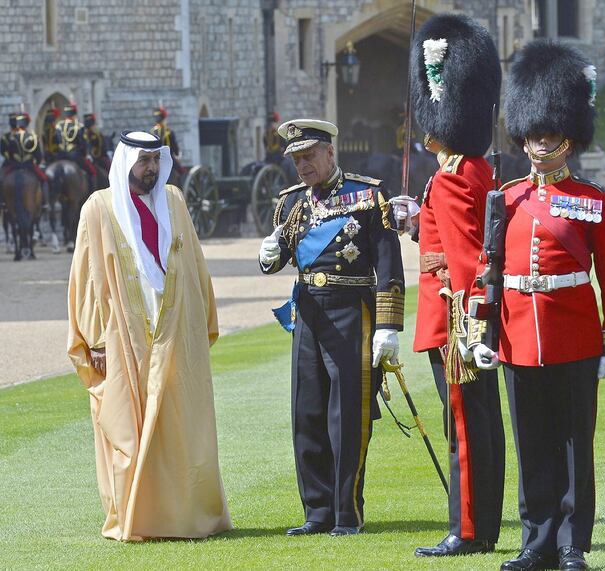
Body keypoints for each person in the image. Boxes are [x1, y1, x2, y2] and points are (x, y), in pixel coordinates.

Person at [471, 40, 605, 571]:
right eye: (534, 136)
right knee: (532, 445)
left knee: (573, 447)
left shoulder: (591, 201)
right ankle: (535, 541)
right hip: (517, 338)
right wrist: (478, 334)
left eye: (550, 136)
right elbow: (485, 270)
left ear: (568, 139)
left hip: (575, 338)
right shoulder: (507, 197)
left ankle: (571, 543)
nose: (540, 145)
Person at [67, 130, 232, 541]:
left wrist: (201, 319)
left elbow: (194, 261)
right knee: (128, 421)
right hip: (123, 329)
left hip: (176, 326)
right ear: (126, 162)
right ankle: (137, 515)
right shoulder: (98, 208)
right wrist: (95, 339)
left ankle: (186, 515)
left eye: (156, 160)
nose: (151, 169)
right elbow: (86, 278)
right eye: (144, 161)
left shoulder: (174, 199)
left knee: (181, 421)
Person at [392, 14, 506, 558]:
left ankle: (467, 529)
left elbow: (463, 262)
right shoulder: (467, 169)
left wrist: (467, 330)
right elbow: (447, 247)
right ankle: (481, 526)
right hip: (462, 316)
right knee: (478, 424)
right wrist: (416, 226)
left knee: (464, 424)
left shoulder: (457, 175)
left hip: (456, 321)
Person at [258, 119, 405, 537]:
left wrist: (387, 326)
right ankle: (316, 512)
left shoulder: (368, 195)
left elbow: (389, 266)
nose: (302, 166)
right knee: (307, 414)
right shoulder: (290, 204)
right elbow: (280, 257)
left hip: (351, 313)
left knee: (348, 418)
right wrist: (267, 256)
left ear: (330, 153)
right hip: (307, 314)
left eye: (308, 156)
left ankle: (346, 513)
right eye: (296, 159)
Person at [55, 103, 97, 191]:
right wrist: (86, 154)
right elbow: (82, 143)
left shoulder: (59, 126)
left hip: (61, 155)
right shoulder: (79, 127)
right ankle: (92, 192)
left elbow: (57, 141)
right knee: (92, 172)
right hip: (74, 155)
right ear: (74, 115)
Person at [5, 112, 50, 190]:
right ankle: (46, 201)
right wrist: (37, 163)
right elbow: (38, 156)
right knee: (45, 180)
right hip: (29, 165)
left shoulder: (10, 138)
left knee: (2, 180)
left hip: (14, 166)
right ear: (27, 124)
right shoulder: (32, 137)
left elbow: (9, 155)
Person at [151, 106, 183, 175]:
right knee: (181, 171)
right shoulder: (168, 132)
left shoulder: (153, 132)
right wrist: (177, 155)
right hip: (167, 157)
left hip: (155, 157)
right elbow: (175, 148)